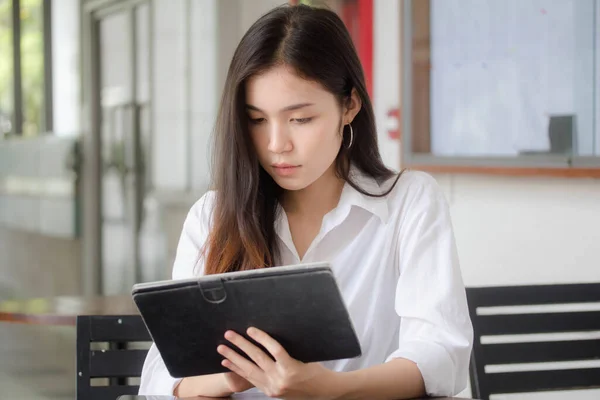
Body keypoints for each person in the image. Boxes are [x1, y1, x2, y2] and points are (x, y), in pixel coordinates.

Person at [139, 3, 472, 399]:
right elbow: (163, 373)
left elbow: (440, 355)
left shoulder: (408, 203)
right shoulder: (213, 216)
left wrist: (333, 390)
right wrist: (231, 377)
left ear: (349, 105)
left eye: (300, 119)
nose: (277, 144)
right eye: (257, 120)